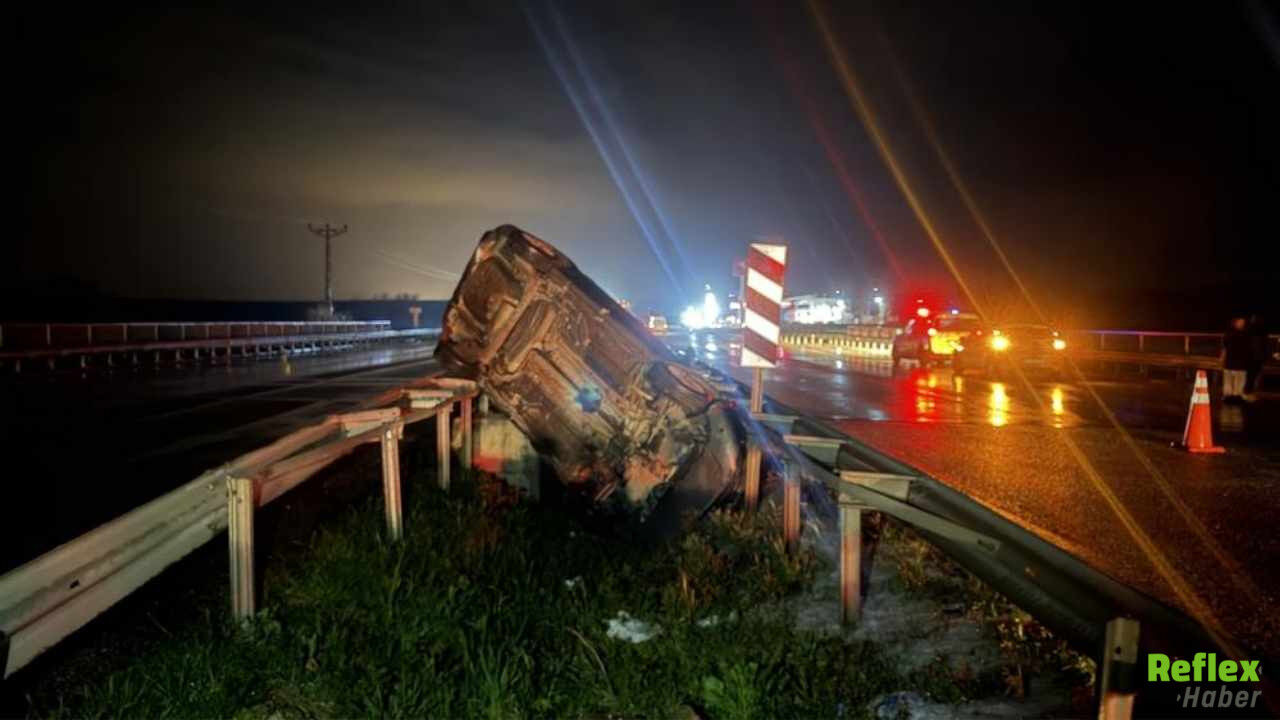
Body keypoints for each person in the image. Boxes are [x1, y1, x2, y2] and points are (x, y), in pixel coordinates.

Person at [1221, 316, 1251, 402]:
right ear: (1235, 323)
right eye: (1240, 322)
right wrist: (1223, 357)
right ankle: (1228, 395)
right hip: (1230, 360)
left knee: (1239, 378)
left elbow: (1248, 348)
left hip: (1241, 361)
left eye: (1243, 322)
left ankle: (1237, 395)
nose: (1241, 324)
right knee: (1229, 378)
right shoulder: (1229, 334)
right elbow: (1224, 347)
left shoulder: (1246, 334)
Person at [1245, 314, 1267, 400]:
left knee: (1250, 376)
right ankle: (1250, 392)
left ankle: (1248, 392)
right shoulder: (1262, 332)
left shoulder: (1249, 331)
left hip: (1252, 357)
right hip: (1256, 358)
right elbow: (1265, 345)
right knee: (1253, 376)